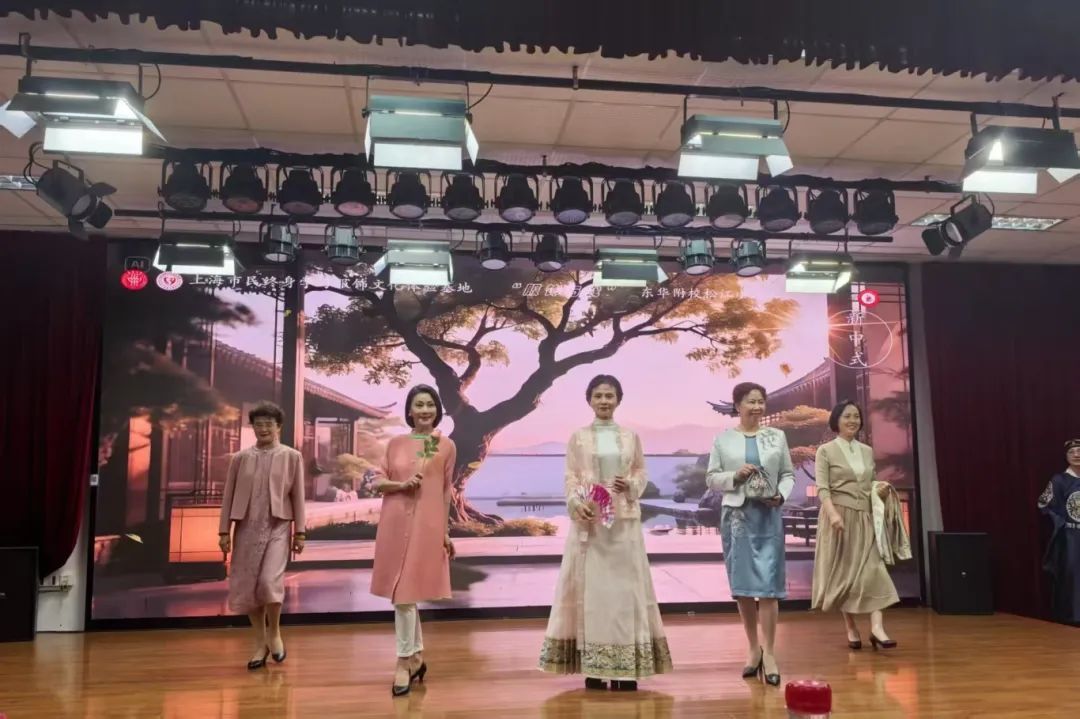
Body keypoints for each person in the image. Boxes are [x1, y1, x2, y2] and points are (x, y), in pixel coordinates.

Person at [539, 374, 673, 691]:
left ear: (618, 400)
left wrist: (631, 485)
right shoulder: (578, 438)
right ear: (589, 400)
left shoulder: (630, 437)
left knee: (626, 594)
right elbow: (571, 478)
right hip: (591, 525)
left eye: (609, 396)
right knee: (593, 596)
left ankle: (627, 669)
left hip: (624, 525)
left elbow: (640, 471)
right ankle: (594, 667)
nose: (604, 401)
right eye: (598, 395)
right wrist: (576, 503)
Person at [706, 382, 795, 687]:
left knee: (769, 586)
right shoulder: (723, 440)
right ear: (737, 405)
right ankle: (753, 648)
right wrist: (734, 476)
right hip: (737, 517)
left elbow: (787, 475)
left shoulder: (777, 437)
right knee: (743, 588)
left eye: (760, 401)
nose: (757, 407)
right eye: (750, 401)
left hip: (768, 515)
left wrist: (781, 496)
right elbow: (711, 478)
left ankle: (770, 652)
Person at [371, 384, 457, 696]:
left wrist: (444, 532)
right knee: (403, 595)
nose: (424, 410)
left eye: (430, 404)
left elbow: (445, 492)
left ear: (437, 410)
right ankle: (413, 659)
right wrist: (401, 485)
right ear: (409, 410)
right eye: (419, 405)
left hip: (426, 526)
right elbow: (377, 481)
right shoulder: (395, 444)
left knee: (406, 595)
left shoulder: (445, 445)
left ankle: (404, 662)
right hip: (394, 524)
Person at [218, 401, 306, 670]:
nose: (264, 428)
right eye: (258, 424)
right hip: (246, 527)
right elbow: (228, 497)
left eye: (269, 424)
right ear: (252, 427)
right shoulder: (240, 458)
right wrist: (224, 531)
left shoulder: (292, 456)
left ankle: (275, 633)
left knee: (268, 582)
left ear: (279, 427)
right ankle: (260, 642)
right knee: (249, 587)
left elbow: (298, 497)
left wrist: (300, 532)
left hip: (278, 526)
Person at [811, 401, 899, 650]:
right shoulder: (825, 451)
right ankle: (850, 627)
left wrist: (879, 490)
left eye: (856, 416)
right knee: (845, 575)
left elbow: (870, 483)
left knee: (874, 569)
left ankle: (877, 628)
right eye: (847, 416)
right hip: (838, 518)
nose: (853, 420)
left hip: (865, 518)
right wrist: (833, 515)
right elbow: (823, 488)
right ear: (836, 421)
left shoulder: (867, 451)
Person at [1038, 439, 1080, 624]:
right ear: (1066, 456)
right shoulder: (1059, 480)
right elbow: (1043, 504)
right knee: (1072, 575)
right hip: (1071, 537)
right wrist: (1062, 523)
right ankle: (1072, 616)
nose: (1076, 454)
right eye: (1072, 452)